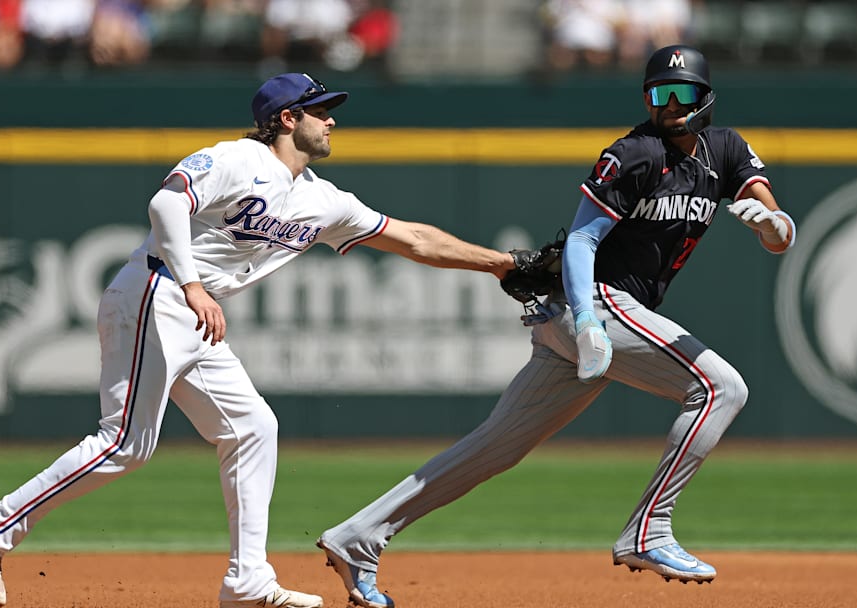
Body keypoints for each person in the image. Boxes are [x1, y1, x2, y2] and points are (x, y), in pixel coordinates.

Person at [0, 72, 518, 608]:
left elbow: (412, 238)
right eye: (322, 111)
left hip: (191, 311)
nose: (332, 122)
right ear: (289, 118)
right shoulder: (236, 158)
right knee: (125, 442)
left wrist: (499, 264)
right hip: (159, 289)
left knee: (253, 427)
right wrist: (194, 285)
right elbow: (166, 203)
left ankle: (249, 580)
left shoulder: (325, 201)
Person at [316, 44, 796, 608]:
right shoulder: (635, 153)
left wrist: (773, 224)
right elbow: (583, 239)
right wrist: (588, 317)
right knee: (721, 387)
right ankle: (649, 531)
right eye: (658, 95)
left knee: (494, 449)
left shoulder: (726, 149)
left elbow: (776, 229)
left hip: (593, 317)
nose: (668, 105)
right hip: (590, 304)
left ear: (706, 97)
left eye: (681, 94)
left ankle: (358, 537)